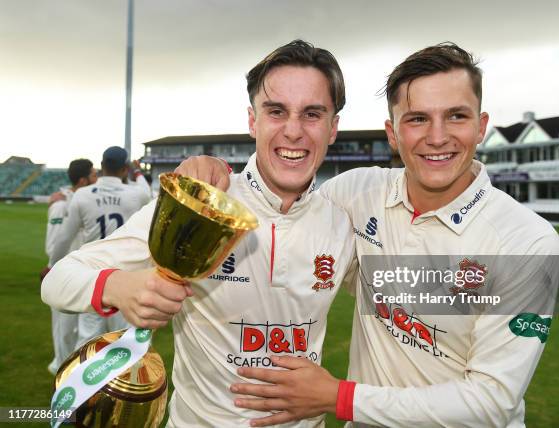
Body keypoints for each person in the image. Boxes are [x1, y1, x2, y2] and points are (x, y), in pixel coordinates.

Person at [176, 43, 559, 427]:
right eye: (417, 119)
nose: (438, 136)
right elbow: (282, 209)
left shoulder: (528, 242)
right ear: (393, 134)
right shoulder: (357, 193)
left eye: (456, 116)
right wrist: (215, 172)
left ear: (480, 126)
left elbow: (491, 402)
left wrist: (337, 397)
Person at [42, 40, 356, 427]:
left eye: (312, 114)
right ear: (253, 120)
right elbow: (58, 280)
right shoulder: (203, 203)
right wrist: (120, 287)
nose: (293, 131)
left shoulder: (343, 223)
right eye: (276, 112)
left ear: (333, 127)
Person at [48, 146, 152, 346]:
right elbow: (146, 191)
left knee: (87, 342)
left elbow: (64, 237)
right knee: (126, 342)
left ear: (102, 166)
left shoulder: (82, 195)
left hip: (93, 276)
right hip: (126, 277)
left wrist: (52, 264)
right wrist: (137, 171)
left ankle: (79, 377)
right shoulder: (136, 194)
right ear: (124, 169)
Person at [42, 158, 97, 374]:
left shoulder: (85, 201)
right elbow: (53, 245)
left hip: (84, 272)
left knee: (82, 326)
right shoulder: (60, 205)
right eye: (93, 175)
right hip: (62, 273)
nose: (97, 179)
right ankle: (60, 369)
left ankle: (75, 370)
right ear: (83, 180)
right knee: (63, 327)